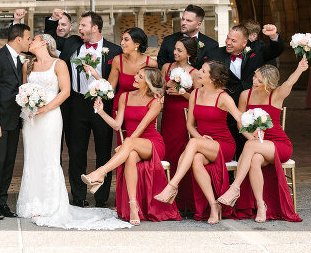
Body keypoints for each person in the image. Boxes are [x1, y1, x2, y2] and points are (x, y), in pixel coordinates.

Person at [17, 34, 129, 230]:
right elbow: (24, 88)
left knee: (49, 157)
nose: (30, 41)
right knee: (32, 157)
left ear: (44, 42)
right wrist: (28, 104)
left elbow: (65, 91)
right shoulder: (27, 65)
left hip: (50, 117)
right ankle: (33, 202)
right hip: (31, 118)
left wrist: (45, 108)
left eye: (34, 39)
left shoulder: (59, 64)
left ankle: (51, 203)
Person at [154, 61, 249, 224]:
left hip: (223, 144)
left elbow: (240, 118)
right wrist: (200, 137)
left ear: (212, 79)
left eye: (203, 71)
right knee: (196, 159)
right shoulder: (195, 94)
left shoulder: (223, 97)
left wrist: (255, 129)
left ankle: (172, 185)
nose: (198, 72)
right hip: (203, 143)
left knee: (192, 144)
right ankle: (214, 205)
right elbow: (190, 125)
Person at [45, 9, 122, 208]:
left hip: (101, 103)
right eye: (79, 25)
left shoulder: (114, 50)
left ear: (95, 28)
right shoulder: (71, 43)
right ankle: (78, 195)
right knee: (76, 150)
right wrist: (53, 19)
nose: (79, 28)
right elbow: (50, 40)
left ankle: (101, 197)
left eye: (83, 25)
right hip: (76, 103)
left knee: (103, 149)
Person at [83, 67, 180, 225]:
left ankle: (101, 172)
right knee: (131, 156)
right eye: (136, 74)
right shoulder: (124, 97)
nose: (135, 77)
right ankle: (133, 206)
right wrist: (101, 112)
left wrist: (125, 144)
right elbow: (117, 125)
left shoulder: (156, 101)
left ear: (148, 83)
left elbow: (142, 127)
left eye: (140, 76)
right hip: (132, 144)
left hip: (152, 144)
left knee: (128, 143)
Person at [217, 57, 308, 223]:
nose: (254, 81)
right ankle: (261, 205)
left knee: (250, 146)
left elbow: (289, 82)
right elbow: (240, 123)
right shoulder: (245, 94)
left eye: (259, 80)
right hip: (257, 144)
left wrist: (300, 68)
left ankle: (235, 188)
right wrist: (250, 136)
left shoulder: (277, 94)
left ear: (269, 84)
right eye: (254, 77)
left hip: (279, 145)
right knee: (255, 159)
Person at [208, 24, 284, 157]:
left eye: (233, 40)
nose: (228, 42)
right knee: (231, 143)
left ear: (244, 43)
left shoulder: (257, 50)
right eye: (228, 38)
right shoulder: (216, 54)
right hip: (228, 107)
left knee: (252, 144)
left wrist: (273, 36)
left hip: (253, 105)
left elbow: (276, 50)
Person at [0, 23, 31, 220]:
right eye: (28, 38)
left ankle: (2, 202)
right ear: (18, 39)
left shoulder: (20, 59)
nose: (29, 42)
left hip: (13, 120)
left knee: (9, 162)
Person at [159, 37, 200, 212]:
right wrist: (165, 86)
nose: (175, 52)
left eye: (180, 50)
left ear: (189, 53)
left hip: (184, 116)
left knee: (182, 152)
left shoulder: (195, 73)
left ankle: (185, 201)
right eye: (175, 49)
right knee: (168, 152)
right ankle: (168, 199)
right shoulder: (166, 67)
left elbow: (198, 99)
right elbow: (158, 91)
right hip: (169, 115)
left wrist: (182, 92)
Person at [156, 5, 218, 70]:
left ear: (198, 25)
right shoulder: (168, 41)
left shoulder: (211, 45)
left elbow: (213, 71)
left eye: (188, 20)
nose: (183, 23)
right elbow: (160, 66)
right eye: (183, 19)